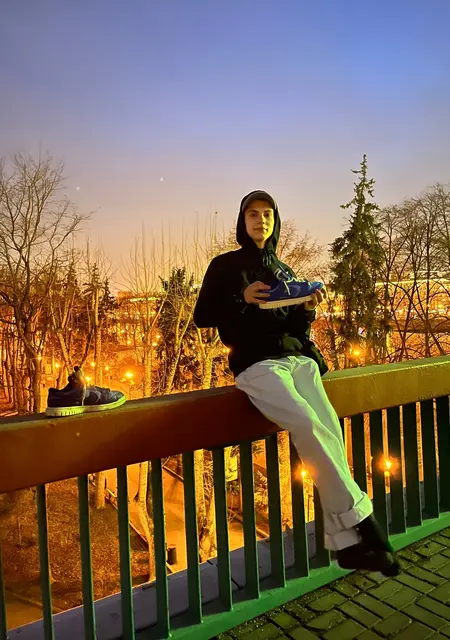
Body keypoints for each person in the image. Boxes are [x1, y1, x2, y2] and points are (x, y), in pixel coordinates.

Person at [194, 190, 399, 575]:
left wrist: (306, 309)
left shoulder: (284, 271)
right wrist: (241, 298)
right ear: (242, 221)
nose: (260, 220)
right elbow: (202, 315)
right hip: (257, 364)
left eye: (267, 214)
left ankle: (345, 545)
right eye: (252, 214)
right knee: (306, 424)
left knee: (329, 430)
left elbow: (294, 328)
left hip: (298, 361)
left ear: (275, 221)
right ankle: (366, 524)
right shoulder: (224, 266)